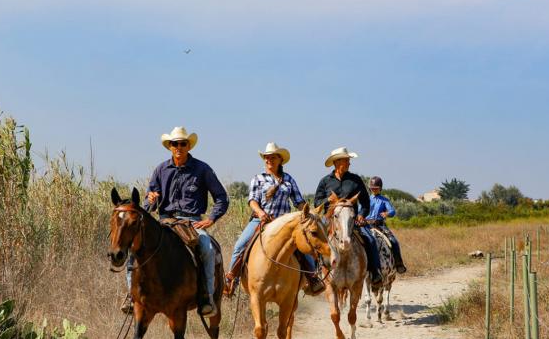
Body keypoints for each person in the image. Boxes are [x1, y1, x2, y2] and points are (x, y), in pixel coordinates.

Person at [122, 126, 229, 317]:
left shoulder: (202, 169)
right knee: (134, 250)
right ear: (169, 147)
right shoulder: (160, 170)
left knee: (207, 248)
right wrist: (150, 200)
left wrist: (211, 219)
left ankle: (207, 298)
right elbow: (148, 202)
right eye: (174, 144)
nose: (178, 147)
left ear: (189, 146)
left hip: (191, 222)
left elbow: (221, 197)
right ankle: (132, 296)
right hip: (165, 222)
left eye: (182, 143)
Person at [223, 142, 325, 296]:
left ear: (280, 160)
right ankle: (231, 280)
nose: (269, 159)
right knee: (240, 245)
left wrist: (309, 212)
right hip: (262, 220)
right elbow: (252, 201)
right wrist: (260, 213)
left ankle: (312, 278)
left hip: (285, 223)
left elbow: (298, 201)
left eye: (272, 157)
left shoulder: (288, 179)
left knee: (303, 246)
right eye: (266, 157)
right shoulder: (258, 178)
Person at [313, 147, 382, 283]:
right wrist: (328, 200)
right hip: (330, 220)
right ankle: (314, 276)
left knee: (370, 240)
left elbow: (366, 203)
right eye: (346, 160)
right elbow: (316, 203)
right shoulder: (325, 181)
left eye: (349, 160)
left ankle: (375, 273)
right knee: (314, 241)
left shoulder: (356, 180)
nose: (349, 163)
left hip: (352, 221)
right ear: (337, 162)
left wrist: (361, 215)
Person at [364, 176, 407, 273]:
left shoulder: (384, 200)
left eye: (376, 188)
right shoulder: (366, 199)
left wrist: (387, 213)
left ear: (380, 188)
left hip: (379, 225)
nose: (374, 190)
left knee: (394, 241)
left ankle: (399, 264)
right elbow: (360, 210)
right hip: (366, 225)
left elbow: (392, 211)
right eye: (372, 188)